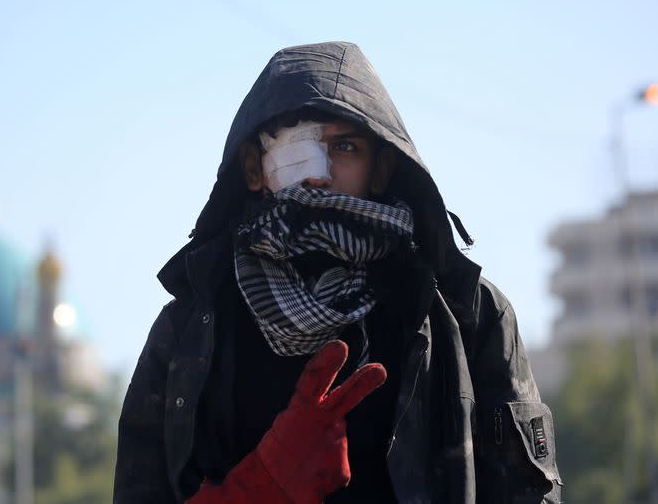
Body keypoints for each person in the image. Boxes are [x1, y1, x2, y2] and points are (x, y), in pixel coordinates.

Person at [113, 41, 562, 503]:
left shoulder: (469, 314)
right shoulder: (188, 330)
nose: (319, 176)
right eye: (297, 149)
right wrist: (259, 488)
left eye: (344, 147)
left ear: (383, 168)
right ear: (254, 169)